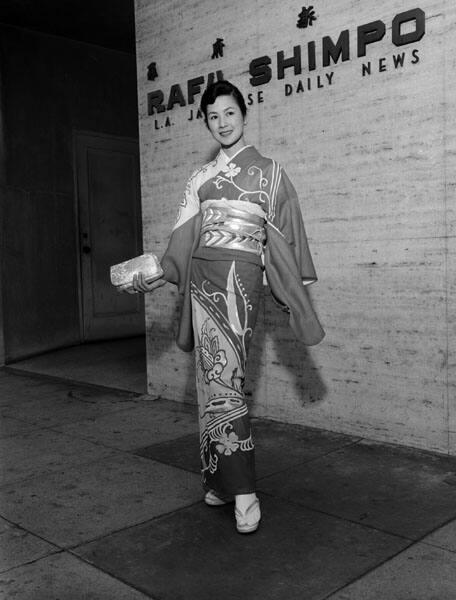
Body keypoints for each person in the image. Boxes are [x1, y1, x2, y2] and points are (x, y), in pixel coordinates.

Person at [130, 80, 325, 533]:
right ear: (206, 122)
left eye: (229, 113)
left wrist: (291, 284)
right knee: (209, 381)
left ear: (244, 113)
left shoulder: (271, 172)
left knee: (228, 381)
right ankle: (220, 480)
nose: (222, 123)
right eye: (213, 116)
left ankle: (246, 491)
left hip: (241, 281)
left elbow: (288, 233)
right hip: (201, 279)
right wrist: (157, 274)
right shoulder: (199, 179)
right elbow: (182, 241)